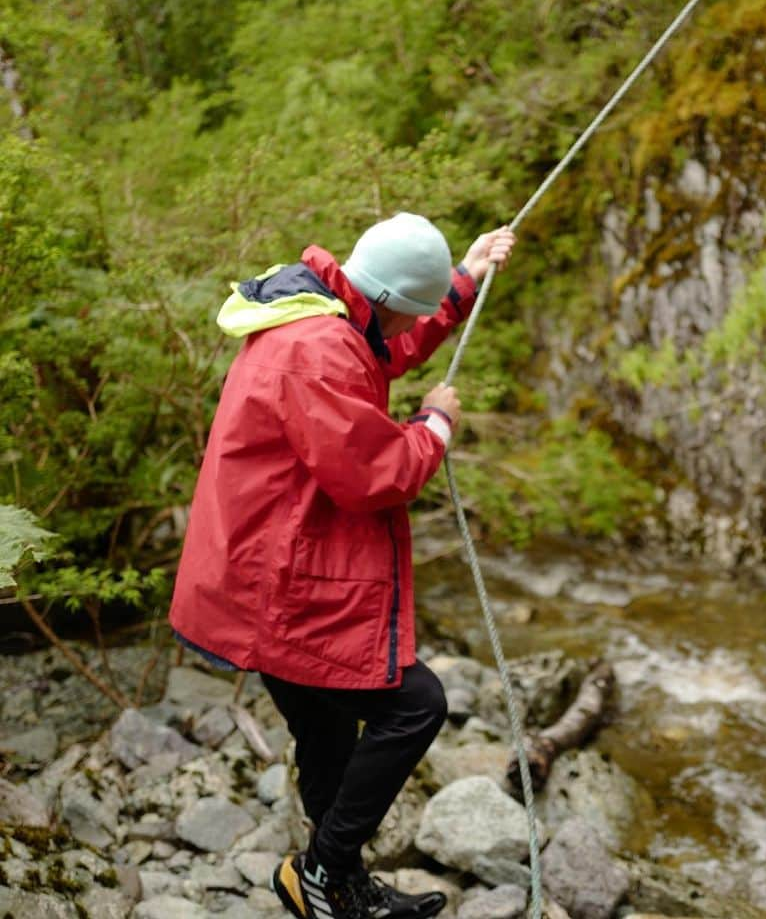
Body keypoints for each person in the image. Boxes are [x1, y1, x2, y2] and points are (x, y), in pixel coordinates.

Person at [169, 213, 515, 919]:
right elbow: (375, 472)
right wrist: (434, 425)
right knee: (416, 707)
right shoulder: (318, 350)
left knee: (325, 728)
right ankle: (322, 874)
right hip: (270, 583)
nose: (398, 332)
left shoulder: (328, 314)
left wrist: (465, 279)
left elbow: (388, 346)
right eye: (404, 313)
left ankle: (337, 890)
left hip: (253, 571)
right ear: (384, 298)